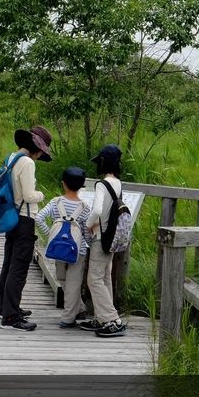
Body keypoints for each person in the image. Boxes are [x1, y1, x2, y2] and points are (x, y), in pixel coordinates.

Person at [0, 125, 52, 331]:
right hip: (24, 218)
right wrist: (42, 195)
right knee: (19, 268)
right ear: (36, 149)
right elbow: (29, 195)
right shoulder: (27, 162)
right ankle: (11, 318)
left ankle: (6, 307)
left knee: (9, 263)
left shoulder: (11, 158)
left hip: (11, 217)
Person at [79, 144, 128, 337]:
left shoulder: (101, 184)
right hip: (113, 237)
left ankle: (111, 319)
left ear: (102, 162)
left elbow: (98, 210)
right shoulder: (118, 183)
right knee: (105, 277)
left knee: (94, 279)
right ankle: (102, 317)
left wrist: (89, 225)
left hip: (101, 236)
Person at [35, 166, 92, 329]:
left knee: (62, 278)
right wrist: (87, 243)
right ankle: (74, 312)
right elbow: (87, 233)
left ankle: (70, 315)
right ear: (82, 187)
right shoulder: (85, 208)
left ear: (63, 184)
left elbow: (38, 218)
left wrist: (50, 236)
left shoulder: (55, 202)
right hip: (77, 251)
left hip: (58, 249)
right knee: (74, 282)